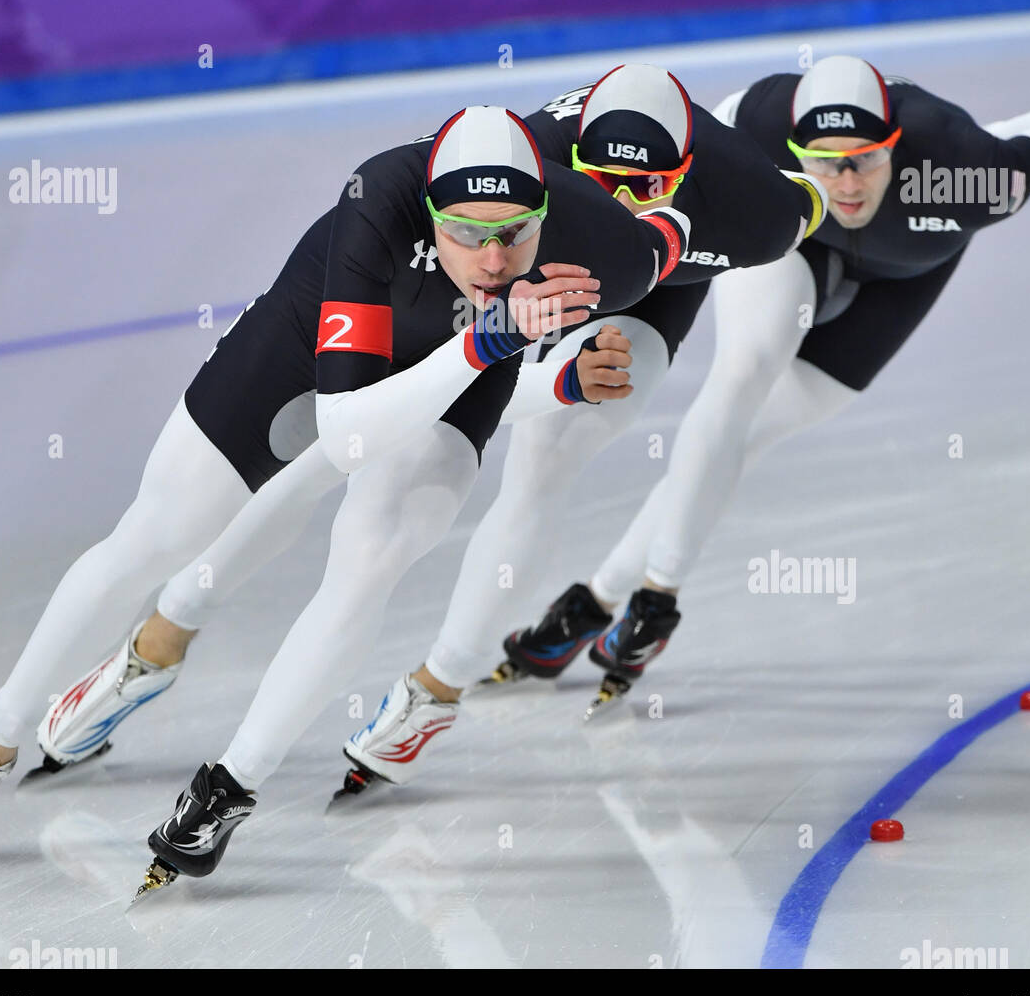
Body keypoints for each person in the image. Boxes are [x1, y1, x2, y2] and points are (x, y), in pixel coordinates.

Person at [0, 106, 688, 872]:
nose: (490, 260)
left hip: (463, 369)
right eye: (464, 235)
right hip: (308, 348)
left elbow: (706, 225)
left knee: (371, 561)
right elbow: (347, 437)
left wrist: (562, 382)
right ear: (428, 214)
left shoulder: (606, 246)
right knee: (157, 535)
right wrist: (487, 339)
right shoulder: (376, 204)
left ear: (548, 212)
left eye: (513, 237)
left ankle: (229, 786)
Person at [480, 55, 1030, 718]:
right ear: (795, 148)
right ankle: (655, 601)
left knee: (756, 435)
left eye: (863, 159)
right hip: (793, 243)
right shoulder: (757, 119)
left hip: (904, 279)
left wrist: (996, 136)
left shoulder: (972, 172)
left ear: (897, 146)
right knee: (741, 377)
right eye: (824, 162)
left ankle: (594, 601)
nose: (846, 183)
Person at [339, 62, 828, 789]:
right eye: (605, 182)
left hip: (651, 297)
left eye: (648, 188)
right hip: (550, 264)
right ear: (570, 164)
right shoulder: (530, 152)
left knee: (545, 455)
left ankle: (438, 688)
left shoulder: (755, 210)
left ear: (686, 170)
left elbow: (811, 200)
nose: (624, 208)